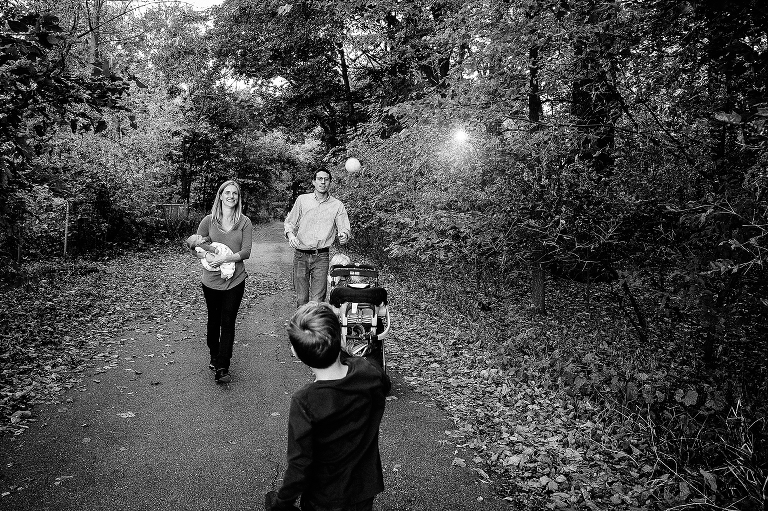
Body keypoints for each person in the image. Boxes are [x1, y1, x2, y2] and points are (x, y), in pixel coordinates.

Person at [266, 302, 390, 511]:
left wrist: (282, 502)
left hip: (324, 497)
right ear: (341, 338)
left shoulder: (305, 401)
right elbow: (383, 386)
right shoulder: (369, 372)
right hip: (363, 486)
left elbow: (300, 464)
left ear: (295, 353)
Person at [187, 180, 253, 384]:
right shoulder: (208, 221)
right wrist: (204, 256)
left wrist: (225, 258)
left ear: (238, 197)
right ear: (221, 195)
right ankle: (214, 356)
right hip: (211, 280)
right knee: (213, 320)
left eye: (235, 193)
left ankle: (223, 366)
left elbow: (246, 252)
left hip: (235, 279)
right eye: (227, 192)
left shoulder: (244, 222)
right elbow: (196, 245)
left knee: (228, 320)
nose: (231, 196)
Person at [284, 169, 351, 307]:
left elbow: (344, 228)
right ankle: (302, 328)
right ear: (314, 182)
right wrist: (290, 235)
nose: (323, 182)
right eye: (319, 179)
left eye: (326, 179)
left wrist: (344, 235)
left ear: (330, 182)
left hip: (321, 257)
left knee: (318, 301)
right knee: (302, 299)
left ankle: (315, 328)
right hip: (301, 256)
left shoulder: (337, 205)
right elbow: (289, 222)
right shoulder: (302, 200)